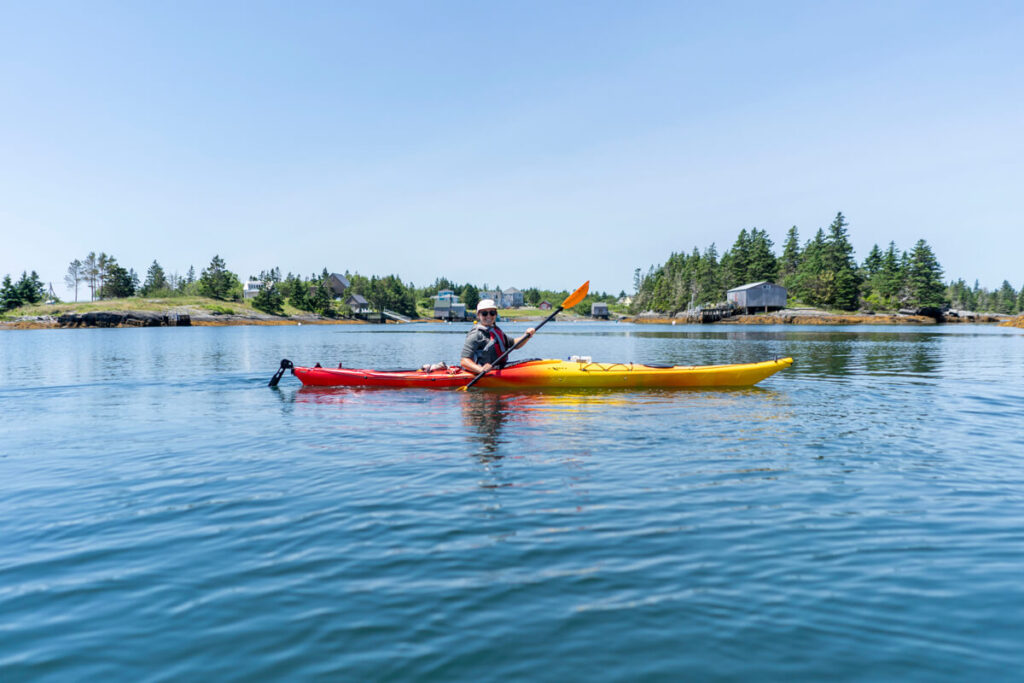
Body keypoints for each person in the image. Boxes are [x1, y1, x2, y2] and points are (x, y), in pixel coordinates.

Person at [460, 299, 535, 374]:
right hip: (482, 372)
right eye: (484, 313)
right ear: (478, 315)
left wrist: (526, 336)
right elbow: (464, 361)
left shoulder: (496, 330)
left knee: (534, 360)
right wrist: (480, 369)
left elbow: (514, 344)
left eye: (492, 313)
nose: (489, 316)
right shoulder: (475, 335)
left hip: (499, 368)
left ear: (496, 314)